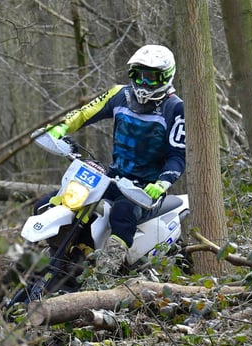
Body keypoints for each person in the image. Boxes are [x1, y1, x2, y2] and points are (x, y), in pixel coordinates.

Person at [40, 44, 186, 274]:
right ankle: (66, 251)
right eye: (139, 76)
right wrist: (61, 127)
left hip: (144, 190)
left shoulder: (175, 108)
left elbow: (178, 155)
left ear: (166, 77)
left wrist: (162, 183)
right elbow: (86, 112)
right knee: (54, 200)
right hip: (113, 177)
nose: (144, 84)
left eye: (151, 78)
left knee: (123, 213)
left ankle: (106, 271)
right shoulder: (120, 94)